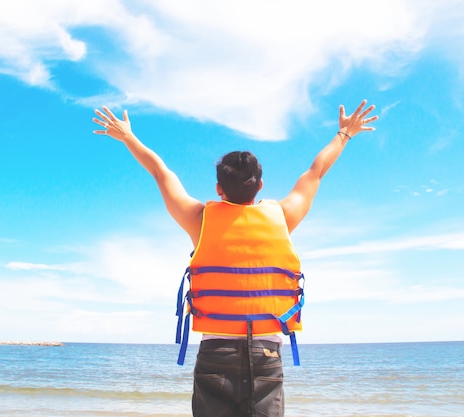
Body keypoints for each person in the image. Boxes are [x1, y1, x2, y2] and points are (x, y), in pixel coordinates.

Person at [92, 100, 377, 417]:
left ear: (218, 188)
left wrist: (128, 137)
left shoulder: (199, 219)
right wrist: (344, 134)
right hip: (266, 353)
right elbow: (316, 171)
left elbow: (161, 173)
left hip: (216, 351)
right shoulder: (283, 216)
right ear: (261, 185)